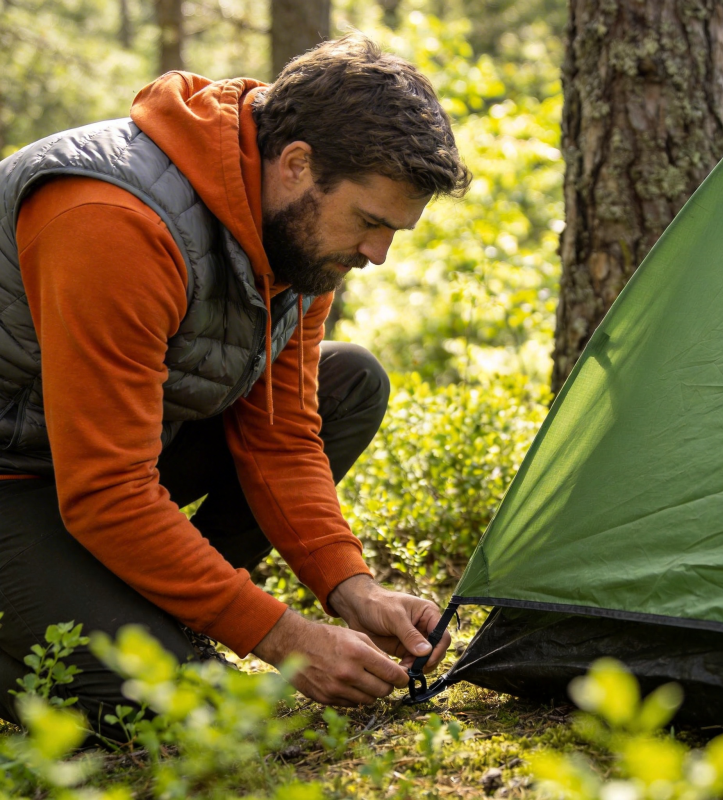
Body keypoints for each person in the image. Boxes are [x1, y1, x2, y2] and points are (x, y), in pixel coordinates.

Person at [0, 34, 471, 733]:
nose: (378, 254)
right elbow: (107, 490)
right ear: (296, 164)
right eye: (370, 222)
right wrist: (281, 636)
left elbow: (279, 436)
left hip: (86, 465)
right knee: (208, 717)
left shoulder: (299, 240)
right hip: (23, 479)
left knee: (351, 382)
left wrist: (352, 588)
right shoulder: (110, 222)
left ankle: (128, 608)